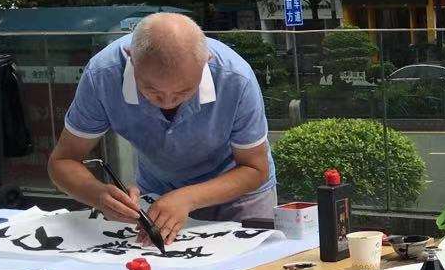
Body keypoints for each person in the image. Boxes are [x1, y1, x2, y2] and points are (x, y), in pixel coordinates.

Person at [48, 13, 277, 245]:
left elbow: (255, 168)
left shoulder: (236, 78)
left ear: (206, 61)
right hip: (158, 192)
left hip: (238, 194)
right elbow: (63, 161)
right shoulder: (103, 75)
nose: (167, 102)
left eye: (183, 92)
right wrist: (98, 195)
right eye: (152, 91)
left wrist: (188, 198)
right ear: (131, 58)